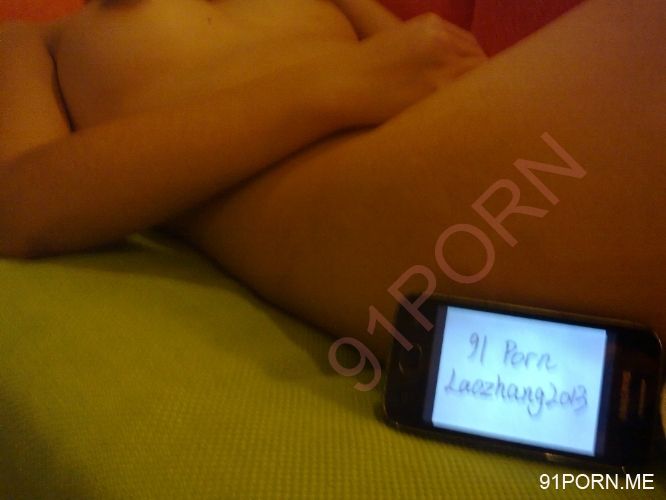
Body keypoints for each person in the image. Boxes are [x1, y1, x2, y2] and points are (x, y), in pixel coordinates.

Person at [1, 0, 663, 363]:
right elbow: (18, 205)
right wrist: (334, 86)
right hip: (361, 196)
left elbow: (438, 62)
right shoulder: (38, 40)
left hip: (458, 136)